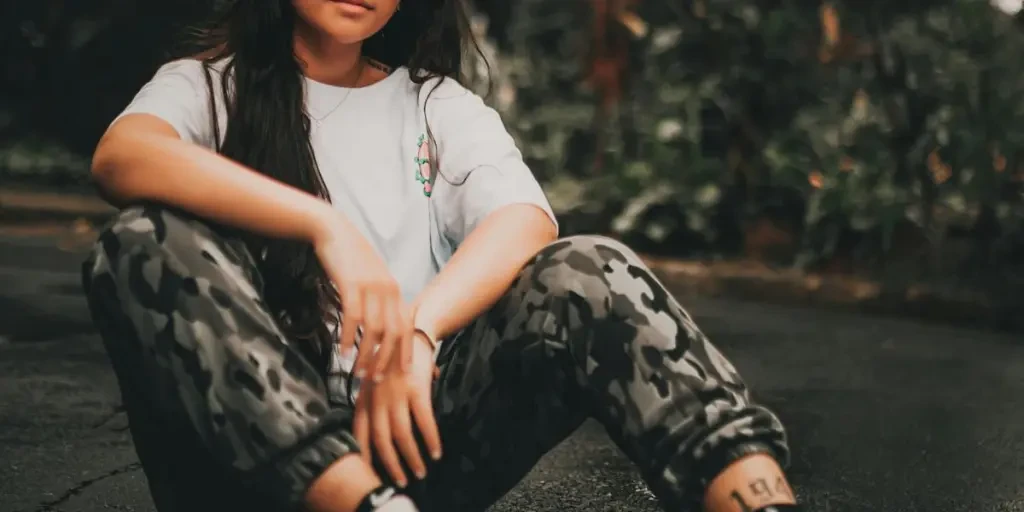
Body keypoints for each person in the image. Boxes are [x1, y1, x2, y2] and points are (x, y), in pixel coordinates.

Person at [81, 1, 802, 511]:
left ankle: (754, 497)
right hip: (241, 469)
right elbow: (124, 156)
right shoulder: (208, 87)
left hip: (404, 447)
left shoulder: (434, 106)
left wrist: (419, 334)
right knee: (141, 241)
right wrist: (324, 227)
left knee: (588, 271)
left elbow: (524, 219)